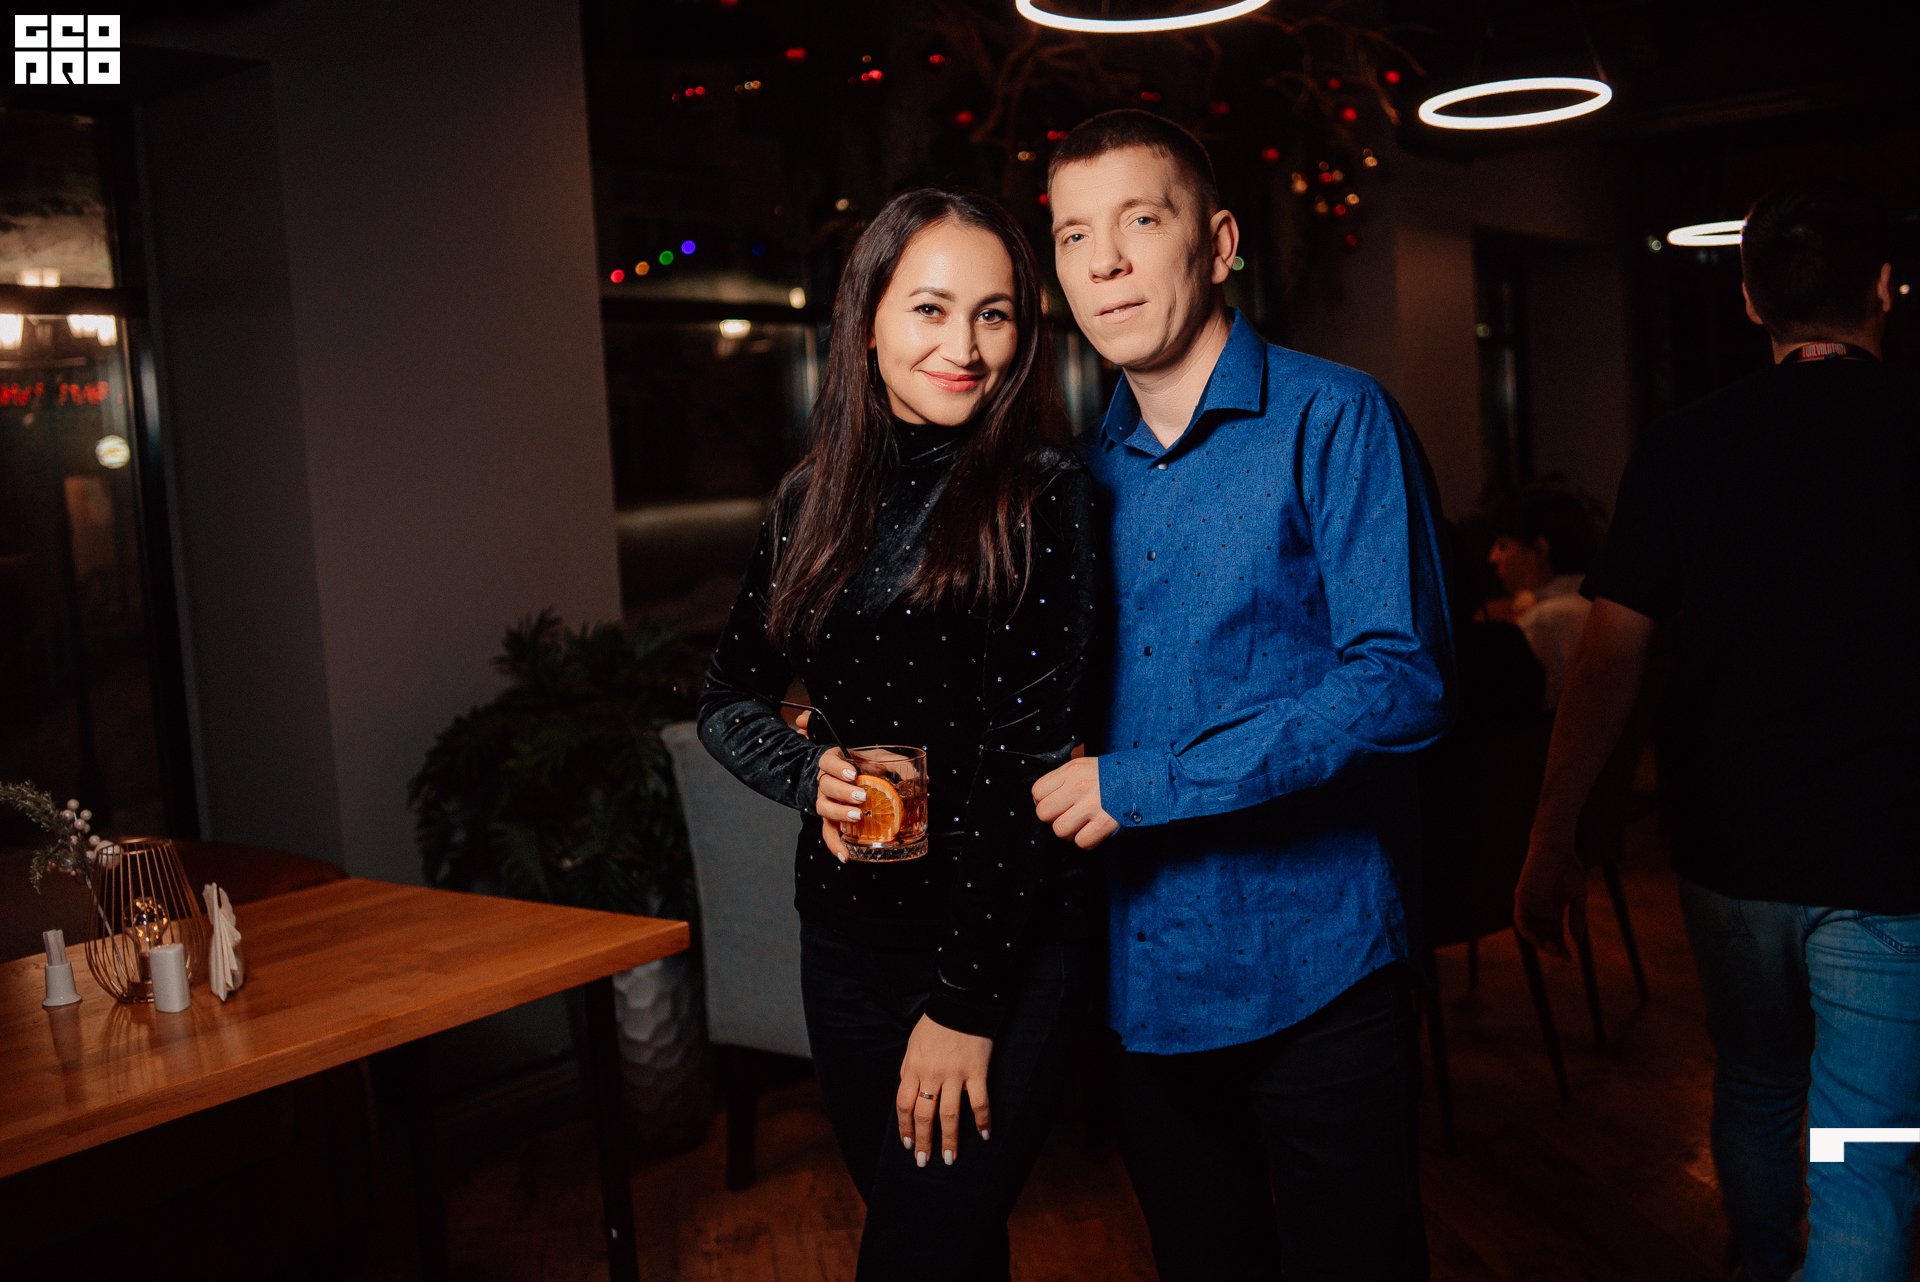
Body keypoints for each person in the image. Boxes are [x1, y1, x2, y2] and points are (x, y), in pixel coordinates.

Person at [1030, 109, 1454, 1281]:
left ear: (1217, 243)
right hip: (1144, 986)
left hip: (1317, 969)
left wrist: (1148, 783)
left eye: (1139, 220)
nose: (1105, 262)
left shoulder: (1337, 417)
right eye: (1074, 235)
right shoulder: (1074, 478)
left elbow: (1401, 681)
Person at [1515, 181, 1918, 1282]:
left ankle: (1760, 1262)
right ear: (1888, 288)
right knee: (1868, 1148)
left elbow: (1608, 658)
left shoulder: (1685, 446)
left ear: (1750, 300)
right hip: (1889, 852)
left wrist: (1554, 833)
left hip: (1730, 847)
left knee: (1755, 1078)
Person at [696, 189, 1098, 1280]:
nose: (964, 346)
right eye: (930, 308)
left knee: (912, 1259)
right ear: (868, 319)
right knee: (950, 1252)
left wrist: (964, 1006)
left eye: (993, 314)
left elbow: (1028, 763)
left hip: (1000, 954)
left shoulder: (1043, 493)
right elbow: (728, 695)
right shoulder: (809, 501)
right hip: (841, 947)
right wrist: (809, 772)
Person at [1486, 485, 1604, 709]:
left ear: (1540, 550)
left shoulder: (1544, 621)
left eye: (1503, 545)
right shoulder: (1603, 604)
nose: (1492, 557)